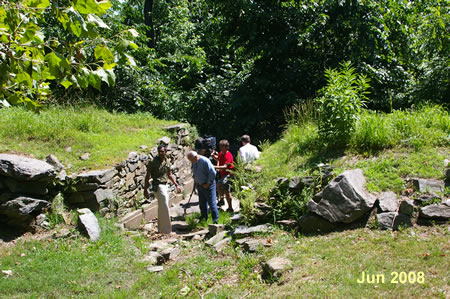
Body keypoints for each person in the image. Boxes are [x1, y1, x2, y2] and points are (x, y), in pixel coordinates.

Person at [144, 145, 182, 234]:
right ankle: (167, 230)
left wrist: (176, 185)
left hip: (165, 185)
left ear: (166, 152)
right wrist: (145, 189)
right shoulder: (153, 162)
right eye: (159, 152)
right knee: (165, 205)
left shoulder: (167, 161)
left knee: (162, 207)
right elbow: (148, 175)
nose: (161, 153)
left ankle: (161, 229)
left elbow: (169, 174)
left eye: (162, 152)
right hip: (158, 186)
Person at [187, 150, 219, 224]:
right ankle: (204, 219)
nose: (191, 162)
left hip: (208, 185)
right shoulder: (194, 161)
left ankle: (216, 221)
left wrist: (208, 184)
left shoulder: (205, 161)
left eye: (191, 160)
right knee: (202, 204)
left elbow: (213, 173)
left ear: (196, 157)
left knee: (212, 204)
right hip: (200, 185)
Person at [213, 140, 234, 212]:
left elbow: (225, 166)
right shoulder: (221, 153)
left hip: (228, 174)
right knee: (223, 189)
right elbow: (218, 158)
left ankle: (227, 205)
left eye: (222, 146)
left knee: (221, 187)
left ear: (226, 147)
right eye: (220, 146)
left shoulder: (229, 155)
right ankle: (225, 203)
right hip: (223, 175)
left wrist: (214, 167)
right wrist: (213, 156)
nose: (220, 148)